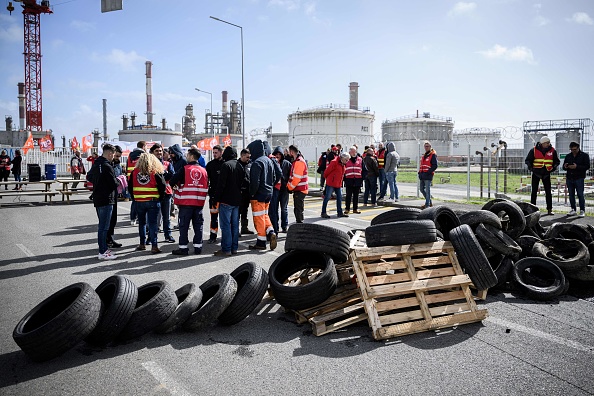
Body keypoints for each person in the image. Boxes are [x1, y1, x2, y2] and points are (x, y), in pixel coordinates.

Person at [169, 148, 208, 255]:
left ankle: (183, 248)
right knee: (198, 226)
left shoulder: (185, 169)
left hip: (186, 203)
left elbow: (172, 181)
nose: (186, 156)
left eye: (187, 155)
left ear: (191, 156)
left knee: (184, 227)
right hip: (199, 204)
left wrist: (177, 186)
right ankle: (198, 247)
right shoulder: (204, 171)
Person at [128, 152, 166, 254]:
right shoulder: (155, 171)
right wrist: (160, 198)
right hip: (153, 200)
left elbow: (130, 187)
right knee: (153, 224)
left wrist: (134, 197)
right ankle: (154, 246)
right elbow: (163, 186)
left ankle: (142, 244)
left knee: (142, 223)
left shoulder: (134, 172)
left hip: (139, 201)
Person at [86, 144, 119, 260]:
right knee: (104, 227)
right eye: (113, 154)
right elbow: (114, 183)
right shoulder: (107, 166)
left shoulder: (97, 163)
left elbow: (88, 176)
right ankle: (102, 251)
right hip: (106, 198)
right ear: (110, 153)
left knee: (102, 225)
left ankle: (104, 248)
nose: (113, 157)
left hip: (98, 197)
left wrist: (98, 182)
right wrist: (119, 181)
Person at [246, 139, 278, 250]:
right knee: (265, 215)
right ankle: (271, 231)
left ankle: (261, 242)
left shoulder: (257, 162)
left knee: (259, 218)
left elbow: (255, 182)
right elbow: (274, 177)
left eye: (250, 151)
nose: (250, 154)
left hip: (259, 194)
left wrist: (252, 193)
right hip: (269, 193)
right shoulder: (268, 160)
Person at [213, 146, 244, 256]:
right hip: (236, 200)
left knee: (226, 225)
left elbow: (221, 185)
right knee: (235, 225)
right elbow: (244, 182)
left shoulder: (225, 165)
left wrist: (215, 199)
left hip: (226, 200)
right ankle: (234, 248)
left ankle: (226, 249)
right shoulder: (240, 165)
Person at [525, 136, 560, 215]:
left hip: (546, 174)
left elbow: (557, 161)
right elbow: (527, 160)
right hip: (536, 173)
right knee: (534, 192)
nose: (548, 144)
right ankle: (533, 210)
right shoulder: (533, 150)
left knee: (548, 192)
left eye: (549, 142)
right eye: (547, 143)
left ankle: (549, 209)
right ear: (542, 143)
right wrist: (531, 169)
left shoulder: (553, 150)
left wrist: (553, 168)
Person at [150, 143, 176, 243]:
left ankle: (168, 235)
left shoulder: (167, 164)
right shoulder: (150, 164)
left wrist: (161, 178)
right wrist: (162, 178)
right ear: (152, 152)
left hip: (166, 193)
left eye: (160, 151)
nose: (159, 153)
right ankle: (152, 237)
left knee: (166, 217)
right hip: (154, 193)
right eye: (157, 151)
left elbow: (172, 175)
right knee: (154, 217)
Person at [563, 141, 590, 217]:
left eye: (574, 149)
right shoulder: (568, 156)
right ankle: (573, 209)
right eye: (571, 149)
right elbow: (563, 167)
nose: (573, 151)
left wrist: (577, 167)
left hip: (579, 178)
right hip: (569, 177)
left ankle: (582, 210)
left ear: (578, 148)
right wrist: (565, 166)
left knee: (580, 194)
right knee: (571, 195)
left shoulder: (584, 156)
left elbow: (587, 166)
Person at [269, 146, 291, 234]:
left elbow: (291, 176)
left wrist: (288, 185)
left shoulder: (287, 163)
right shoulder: (272, 163)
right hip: (275, 189)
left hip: (284, 189)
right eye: (276, 154)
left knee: (284, 208)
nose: (278, 156)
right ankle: (275, 226)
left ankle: (284, 226)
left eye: (279, 154)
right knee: (274, 209)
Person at [321, 152, 349, 219]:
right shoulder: (334, 162)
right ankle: (323, 212)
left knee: (339, 197)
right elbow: (327, 172)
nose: (347, 161)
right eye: (346, 160)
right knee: (327, 197)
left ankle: (339, 212)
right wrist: (328, 179)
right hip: (331, 183)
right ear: (342, 158)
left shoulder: (343, 164)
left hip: (338, 184)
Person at [107, 145, 124, 249]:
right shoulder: (106, 164)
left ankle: (110, 238)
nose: (118, 158)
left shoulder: (117, 164)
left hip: (115, 193)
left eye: (119, 156)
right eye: (116, 156)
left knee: (113, 219)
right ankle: (107, 240)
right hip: (107, 194)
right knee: (107, 220)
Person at [206, 145, 224, 244]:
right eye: (213, 153)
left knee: (225, 218)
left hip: (223, 196)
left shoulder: (225, 164)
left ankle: (226, 236)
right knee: (213, 217)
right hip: (213, 195)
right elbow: (206, 179)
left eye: (216, 152)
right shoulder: (210, 165)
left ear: (221, 152)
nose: (214, 154)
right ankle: (213, 235)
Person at [287, 144, 309, 224]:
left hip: (300, 189)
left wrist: (289, 187)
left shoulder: (299, 162)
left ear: (292, 152)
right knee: (298, 209)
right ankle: (300, 225)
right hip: (300, 189)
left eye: (289, 152)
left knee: (298, 210)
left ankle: (300, 227)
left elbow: (296, 178)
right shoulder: (298, 161)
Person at [126, 141, 147, 225]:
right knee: (142, 200)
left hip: (131, 179)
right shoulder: (143, 155)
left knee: (134, 200)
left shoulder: (130, 155)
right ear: (143, 146)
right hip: (140, 180)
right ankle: (139, 218)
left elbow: (127, 167)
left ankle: (133, 218)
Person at [238, 148, 255, 234]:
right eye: (247, 157)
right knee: (237, 212)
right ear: (242, 156)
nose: (249, 159)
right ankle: (235, 230)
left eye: (249, 157)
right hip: (239, 193)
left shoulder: (250, 165)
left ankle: (244, 228)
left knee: (245, 210)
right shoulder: (237, 165)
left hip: (247, 192)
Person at [419, 140, 438, 209]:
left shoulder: (432, 155)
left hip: (428, 175)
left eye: (427, 146)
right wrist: (419, 173)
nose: (426, 147)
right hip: (422, 175)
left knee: (427, 190)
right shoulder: (424, 155)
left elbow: (435, 165)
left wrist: (428, 172)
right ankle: (429, 202)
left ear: (430, 147)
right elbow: (422, 165)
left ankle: (427, 204)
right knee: (421, 189)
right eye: (425, 146)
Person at [344, 146, 363, 214]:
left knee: (356, 195)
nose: (352, 152)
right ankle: (347, 209)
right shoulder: (346, 159)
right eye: (351, 151)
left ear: (355, 152)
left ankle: (355, 209)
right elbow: (343, 169)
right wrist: (344, 179)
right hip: (349, 180)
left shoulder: (360, 159)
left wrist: (362, 178)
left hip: (357, 180)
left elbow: (364, 169)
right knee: (348, 195)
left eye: (353, 151)